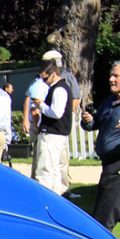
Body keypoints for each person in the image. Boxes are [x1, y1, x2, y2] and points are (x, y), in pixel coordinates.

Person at [81, 61, 120, 232]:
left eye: (116, 76)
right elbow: (95, 123)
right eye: (111, 76)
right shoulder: (109, 101)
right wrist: (88, 120)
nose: (111, 79)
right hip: (108, 166)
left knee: (102, 221)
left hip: (117, 168)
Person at [41, 49, 80, 192]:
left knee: (51, 166)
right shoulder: (50, 81)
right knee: (54, 166)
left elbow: (73, 100)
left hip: (56, 130)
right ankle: (59, 193)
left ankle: (59, 193)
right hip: (55, 129)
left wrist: (41, 106)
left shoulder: (64, 81)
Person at [33, 59, 73, 195]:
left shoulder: (59, 89)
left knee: (45, 169)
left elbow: (56, 113)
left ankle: (44, 198)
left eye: (45, 78)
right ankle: (55, 197)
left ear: (54, 73)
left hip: (52, 134)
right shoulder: (59, 88)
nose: (44, 81)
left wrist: (41, 105)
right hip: (57, 134)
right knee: (54, 170)